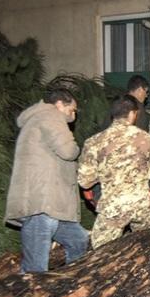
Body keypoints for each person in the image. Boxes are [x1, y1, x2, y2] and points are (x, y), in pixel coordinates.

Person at [5, 88, 88, 273]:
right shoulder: (51, 116)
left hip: (51, 204)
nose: (73, 116)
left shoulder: (39, 119)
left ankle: (71, 280)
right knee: (36, 268)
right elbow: (68, 150)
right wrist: (77, 148)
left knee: (78, 240)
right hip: (42, 202)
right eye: (72, 110)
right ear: (59, 104)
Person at [77, 95, 150, 248]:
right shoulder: (146, 139)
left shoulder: (94, 142)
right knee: (146, 249)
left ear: (113, 114)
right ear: (133, 114)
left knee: (101, 254)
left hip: (113, 208)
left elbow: (84, 181)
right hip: (141, 205)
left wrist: (105, 173)